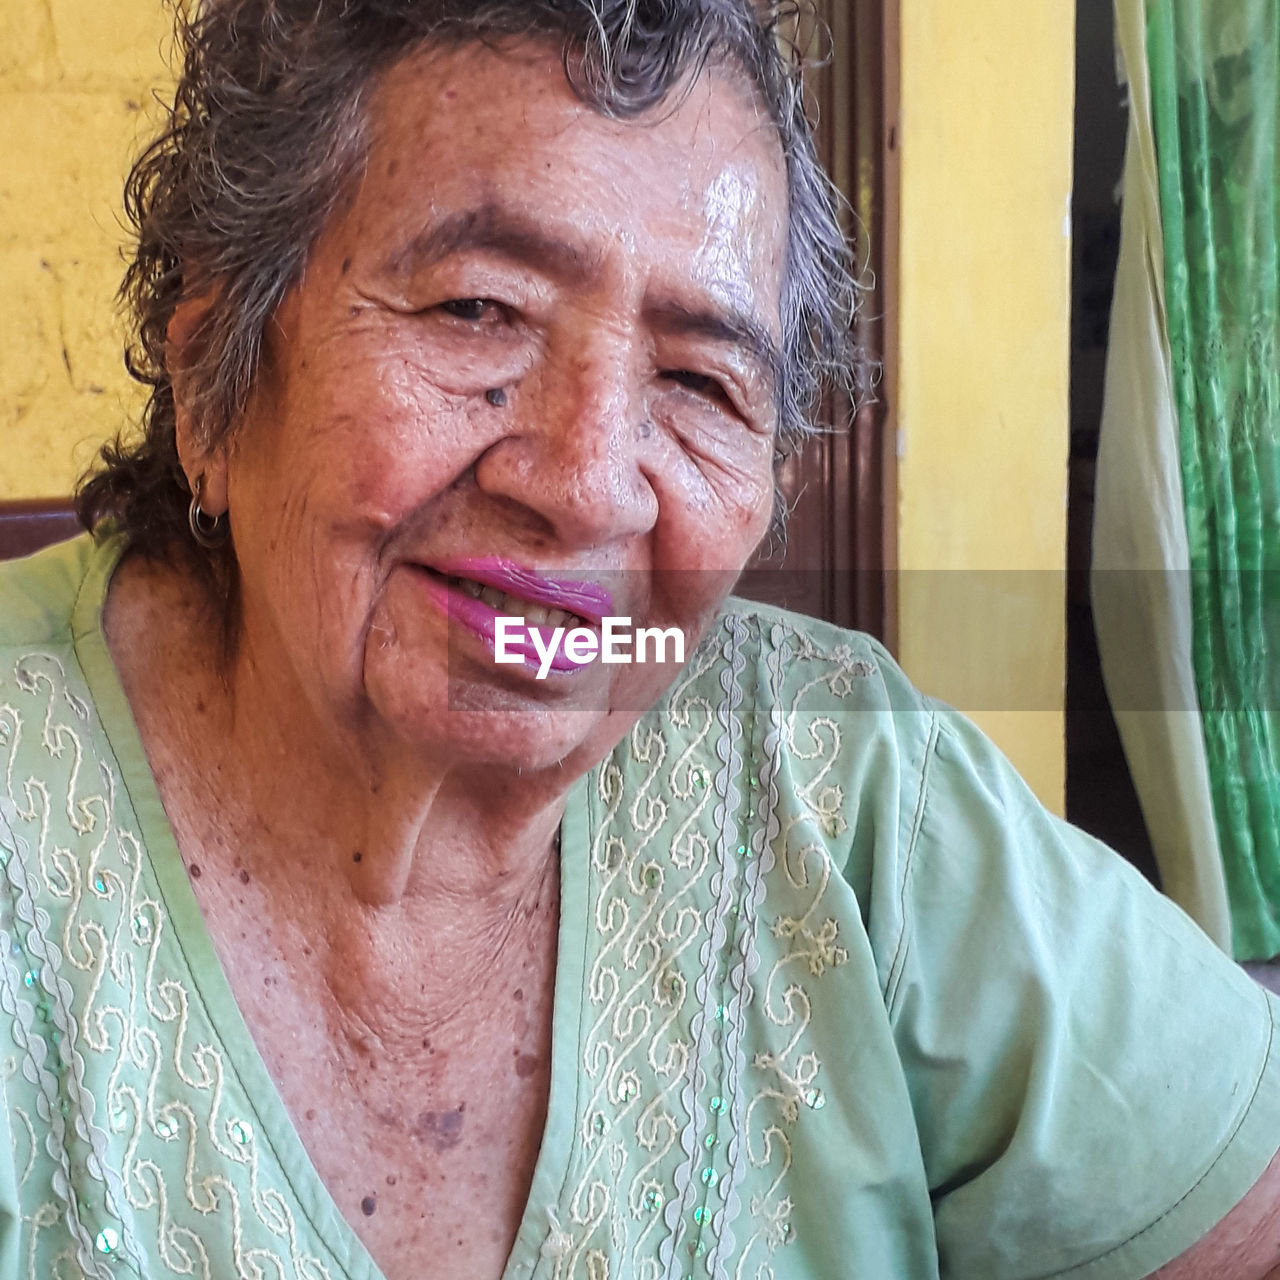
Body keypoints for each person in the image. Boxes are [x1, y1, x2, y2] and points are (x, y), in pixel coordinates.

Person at [1, 1, 1277, 1277]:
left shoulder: (842, 791)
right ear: (212, 381)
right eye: (474, 310)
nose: (590, 483)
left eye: (700, 383)